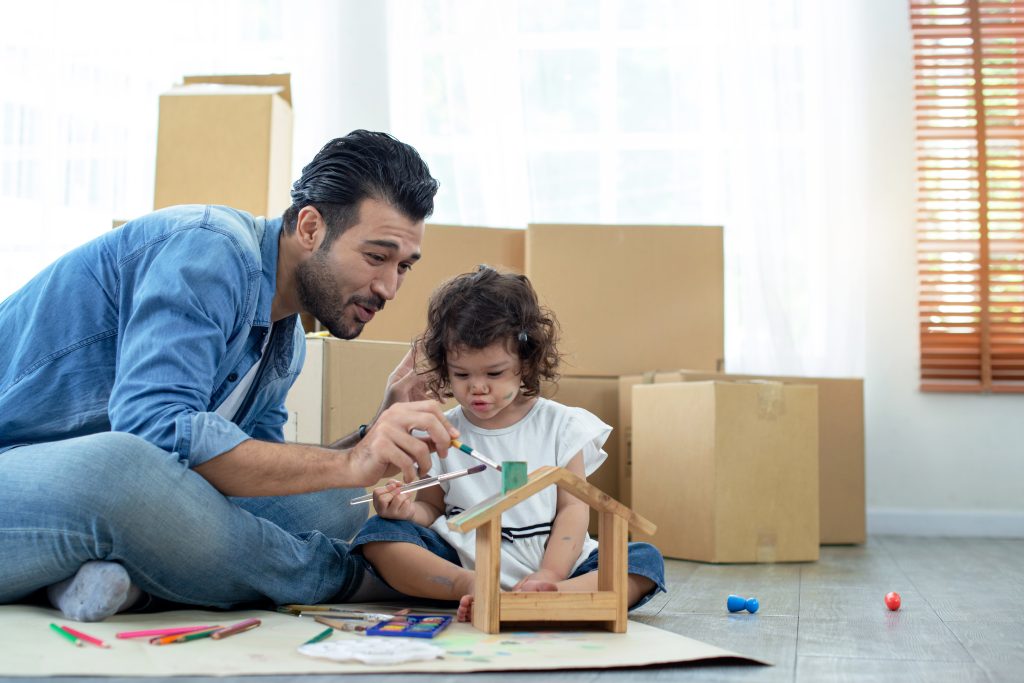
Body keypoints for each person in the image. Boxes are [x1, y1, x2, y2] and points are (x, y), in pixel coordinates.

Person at [0, 130, 462, 622]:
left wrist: (372, 438)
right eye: (376, 256)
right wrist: (353, 461)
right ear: (310, 228)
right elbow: (149, 430)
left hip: (111, 505)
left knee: (333, 503)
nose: (388, 286)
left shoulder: (285, 344)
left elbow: (259, 479)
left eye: (404, 267)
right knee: (122, 469)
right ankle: (343, 576)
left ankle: (128, 583)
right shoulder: (211, 249)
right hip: (31, 473)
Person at [347, 266, 666, 620]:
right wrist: (407, 512)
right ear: (445, 367)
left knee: (643, 560)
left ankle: (554, 595)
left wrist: (551, 574)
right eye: (462, 374)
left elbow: (573, 511)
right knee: (377, 534)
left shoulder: (563, 426)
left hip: (551, 558)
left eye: (494, 373)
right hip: (466, 557)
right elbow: (432, 508)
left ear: (526, 363)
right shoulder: (440, 430)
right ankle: (467, 587)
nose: (477, 387)